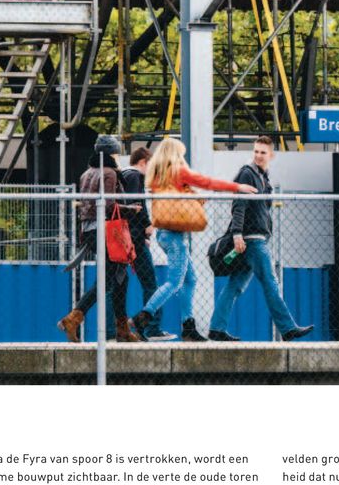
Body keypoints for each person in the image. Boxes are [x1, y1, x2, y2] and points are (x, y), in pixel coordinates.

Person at [130, 137, 252, 342]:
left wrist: (192, 197)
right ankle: (143, 317)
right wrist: (237, 187)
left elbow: (178, 200)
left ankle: (188, 327)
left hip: (165, 234)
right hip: (175, 235)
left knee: (190, 279)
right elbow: (207, 182)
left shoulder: (158, 175)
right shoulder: (177, 171)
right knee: (174, 282)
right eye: (181, 154)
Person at [209, 135, 314, 341]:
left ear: (271, 155)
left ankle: (216, 329)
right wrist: (238, 234)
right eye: (256, 151)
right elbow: (239, 205)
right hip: (252, 239)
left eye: (262, 152)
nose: (258, 155)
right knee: (270, 282)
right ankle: (287, 329)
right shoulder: (247, 173)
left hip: (254, 239)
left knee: (234, 286)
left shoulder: (263, 178)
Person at [57, 135, 143, 344]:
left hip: (89, 230)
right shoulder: (110, 173)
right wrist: (131, 209)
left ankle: (122, 330)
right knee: (107, 278)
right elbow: (109, 205)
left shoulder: (87, 173)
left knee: (120, 278)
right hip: (106, 230)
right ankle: (73, 318)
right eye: (116, 151)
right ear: (111, 153)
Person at [119, 145, 175, 340]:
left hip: (128, 237)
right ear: (143, 163)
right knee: (151, 283)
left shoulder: (124, 176)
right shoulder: (135, 176)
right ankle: (151, 328)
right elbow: (136, 206)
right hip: (134, 239)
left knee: (116, 284)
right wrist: (146, 226)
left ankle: (122, 329)